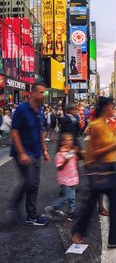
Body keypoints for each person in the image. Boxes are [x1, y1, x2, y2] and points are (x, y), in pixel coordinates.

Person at [72, 97, 116, 250]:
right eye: (112, 106)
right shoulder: (97, 125)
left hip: (112, 166)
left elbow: (110, 140)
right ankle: (78, 232)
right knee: (91, 204)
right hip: (100, 168)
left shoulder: (107, 124)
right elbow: (97, 152)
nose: (114, 109)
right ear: (105, 107)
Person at [8, 83, 50, 226]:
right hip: (24, 153)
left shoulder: (39, 110)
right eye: (41, 92)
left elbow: (40, 131)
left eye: (44, 92)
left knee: (34, 184)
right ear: (32, 93)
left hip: (36, 152)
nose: (43, 95)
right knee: (30, 182)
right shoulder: (21, 110)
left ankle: (25, 212)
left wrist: (44, 150)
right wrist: (21, 153)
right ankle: (30, 214)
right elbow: (14, 132)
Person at [45, 133, 80, 221]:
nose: (70, 142)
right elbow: (59, 167)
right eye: (68, 140)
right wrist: (66, 161)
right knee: (68, 196)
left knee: (72, 197)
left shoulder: (71, 151)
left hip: (73, 177)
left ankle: (71, 213)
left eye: (71, 140)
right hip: (65, 179)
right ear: (62, 142)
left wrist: (78, 153)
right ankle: (52, 207)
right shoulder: (59, 154)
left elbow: (75, 162)